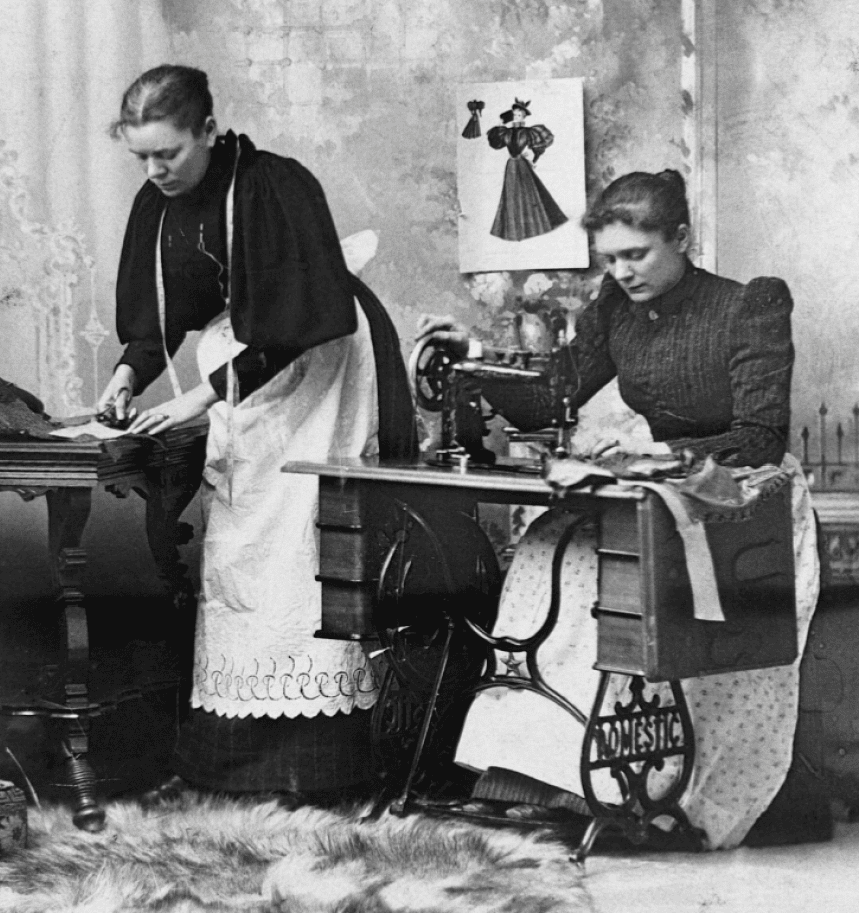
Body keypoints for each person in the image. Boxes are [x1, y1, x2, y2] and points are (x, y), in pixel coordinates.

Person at [418, 169, 821, 849]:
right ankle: (547, 779)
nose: (623, 271)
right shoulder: (616, 307)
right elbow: (555, 396)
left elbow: (759, 437)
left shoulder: (749, 305)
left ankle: (661, 794)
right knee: (549, 553)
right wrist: (475, 357)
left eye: (637, 255)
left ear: (682, 238)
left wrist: (645, 456)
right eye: (611, 258)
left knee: (636, 598)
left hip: (740, 499)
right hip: (650, 490)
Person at [98, 65, 416, 799]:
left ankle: (322, 761)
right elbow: (156, 316)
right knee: (240, 535)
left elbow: (306, 321)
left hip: (323, 364)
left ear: (208, 131)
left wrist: (199, 402)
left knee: (299, 538)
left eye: (169, 153)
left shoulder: (276, 186)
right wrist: (128, 373)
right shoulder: (159, 204)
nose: (155, 172)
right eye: (141, 157)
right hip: (247, 374)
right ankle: (238, 758)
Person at [486, 99, 567, 242]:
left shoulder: (530, 132)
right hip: (511, 165)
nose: (516, 117)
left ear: (524, 117)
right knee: (511, 194)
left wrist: (534, 159)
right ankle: (512, 228)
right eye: (514, 114)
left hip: (522, 165)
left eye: (519, 115)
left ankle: (535, 225)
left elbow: (539, 147)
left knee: (529, 192)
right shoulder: (505, 131)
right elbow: (495, 141)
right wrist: (501, 121)